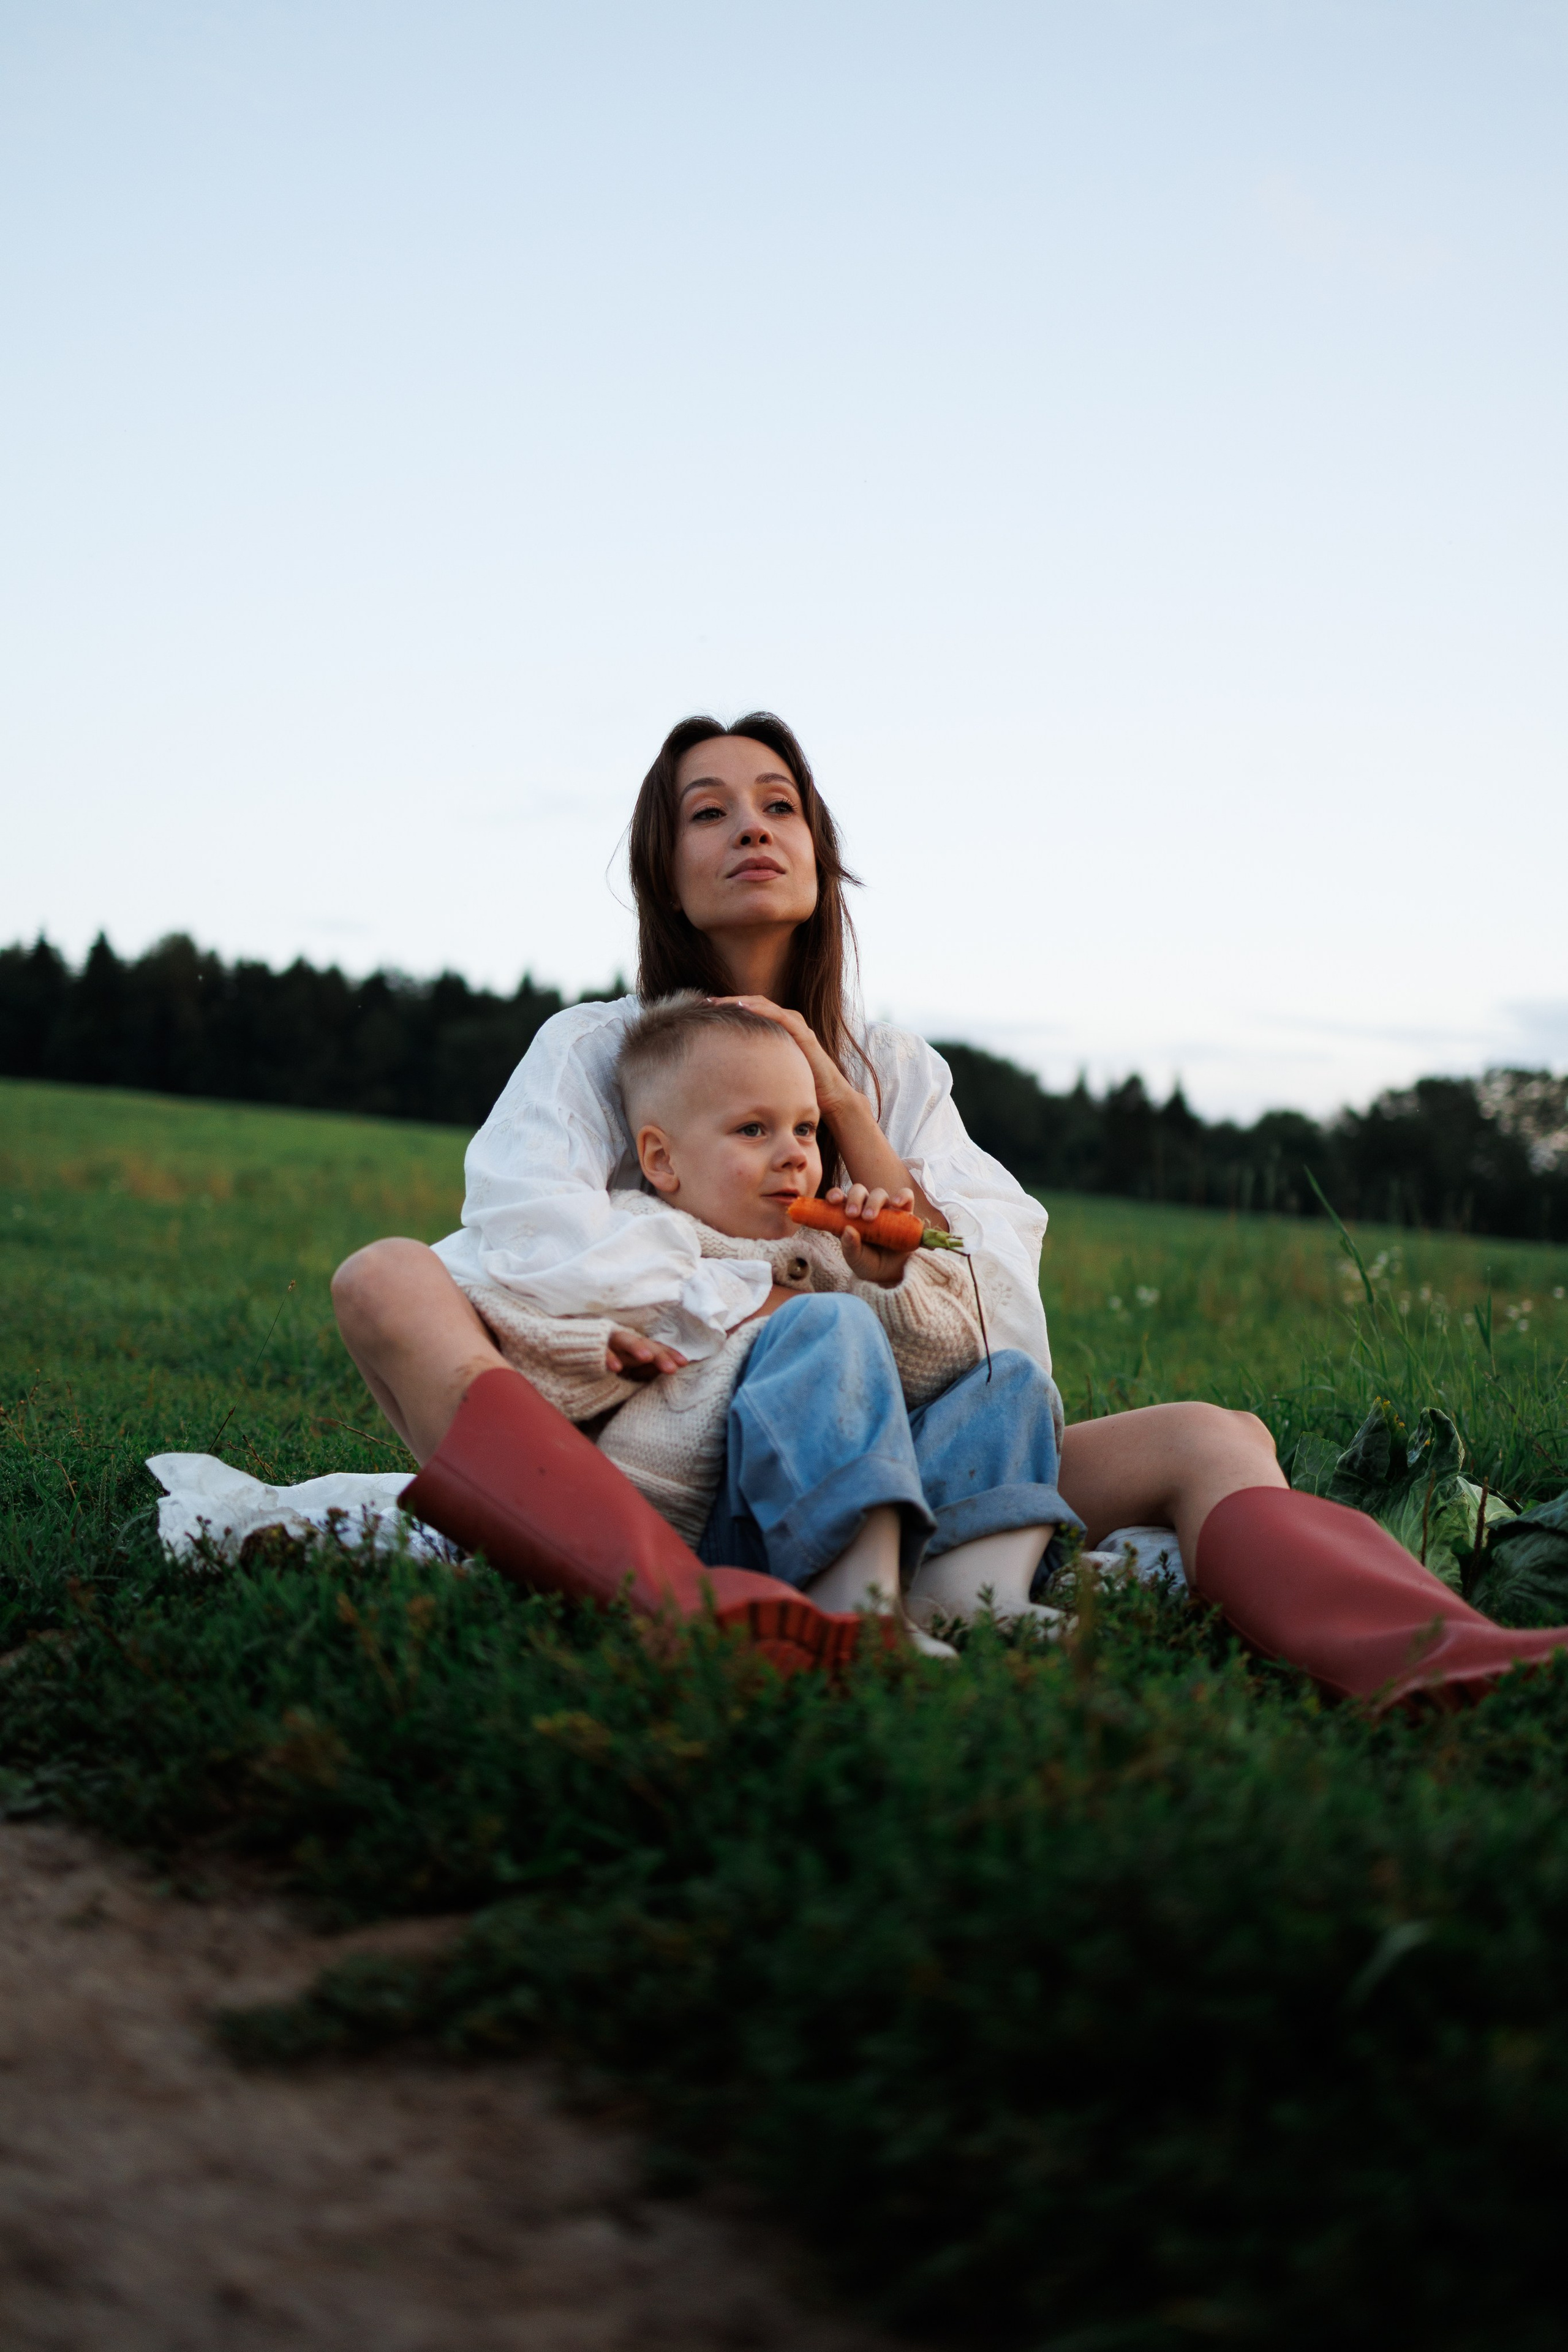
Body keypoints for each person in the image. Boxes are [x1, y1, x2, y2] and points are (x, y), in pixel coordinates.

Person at [336, 713, 1568, 1703]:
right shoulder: (591, 1051)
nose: (748, 828)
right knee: (385, 1275)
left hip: (900, 1459)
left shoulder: (897, 1072)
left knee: (1210, 1429)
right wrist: (767, 1285)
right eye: (705, 813)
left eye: (778, 806)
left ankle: (1426, 1650)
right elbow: (533, 1251)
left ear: (820, 858)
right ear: (663, 867)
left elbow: (991, 1317)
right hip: (657, 1465)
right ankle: (687, 1607)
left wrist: (840, 1105)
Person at [458, 989, 1081, 1654]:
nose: (792, 1155)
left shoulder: (823, 1254)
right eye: (753, 1130)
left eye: (806, 1130)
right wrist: (597, 1345)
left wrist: (886, 1278)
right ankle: (855, 1611)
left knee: (1003, 1379)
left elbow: (944, 1368)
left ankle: (962, 1591)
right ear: (661, 1160)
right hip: (717, 1529)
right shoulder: (639, 1241)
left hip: (870, 1515)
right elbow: (519, 1315)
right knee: (827, 1325)